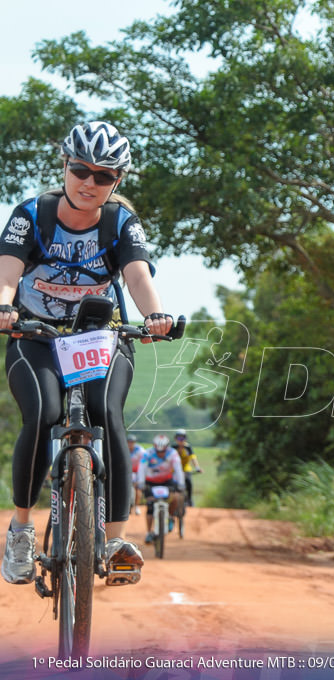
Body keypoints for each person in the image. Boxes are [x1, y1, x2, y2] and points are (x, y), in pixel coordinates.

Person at [0, 121, 175, 587]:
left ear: (117, 182)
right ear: (65, 166)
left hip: (100, 337)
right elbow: (9, 271)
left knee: (106, 413)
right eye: (80, 169)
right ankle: (20, 530)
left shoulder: (121, 222)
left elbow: (137, 276)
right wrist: (3, 305)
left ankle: (115, 540)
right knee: (43, 413)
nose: (89, 182)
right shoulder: (31, 213)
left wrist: (155, 316)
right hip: (34, 337)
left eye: (103, 176)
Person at [134, 434, 185, 544]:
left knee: (175, 497)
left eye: (163, 451)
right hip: (150, 482)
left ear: (167, 447)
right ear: (154, 447)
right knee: (150, 506)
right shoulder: (147, 454)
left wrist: (181, 483)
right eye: (158, 451)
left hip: (167, 480)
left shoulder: (173, 454)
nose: (160, 453)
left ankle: (171, 516)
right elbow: (142, 468)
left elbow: (178, 469)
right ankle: (148, 532)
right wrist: (141, 482)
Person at [172, 428, 202, 507]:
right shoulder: (172, 448)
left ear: (185, 438)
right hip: (174, 470)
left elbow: (193, 458)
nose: (181, 440)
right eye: (179, 438)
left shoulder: (188, 447)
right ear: (175, 439)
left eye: (183, 438)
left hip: (185, 469)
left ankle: (189, 499)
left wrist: (197, 467)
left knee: (189, 482)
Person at [128, 433, 146, 515]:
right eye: (129, 442)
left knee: (138, 489)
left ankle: (137, 506)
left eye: (132, 442)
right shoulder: (124, 449)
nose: (130, 444)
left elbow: (144, 461)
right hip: (128, 472)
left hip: (138, 471)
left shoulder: (140, 450)